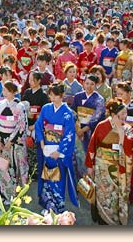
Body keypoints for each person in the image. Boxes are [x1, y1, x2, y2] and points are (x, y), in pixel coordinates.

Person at [85, 98, 133, 225]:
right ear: (113, 114)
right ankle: (103, 218)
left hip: (119, 166)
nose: (125, 116)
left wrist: (120, 130)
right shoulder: (102, 126)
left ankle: (116, 218)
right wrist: (90, 165)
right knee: (103, 193)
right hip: (102, 166)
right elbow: (92, 146)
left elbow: (129, 147)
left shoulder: (127, 128)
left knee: (116, 194)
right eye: (122, 113)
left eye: (126, 113)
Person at [35, 83, 78, 214]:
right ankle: (48, 207)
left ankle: (57, 209)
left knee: (58, 180)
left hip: (59, 152)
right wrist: (42, 144)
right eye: (51, 95)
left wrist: (59, 151)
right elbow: (39, 126)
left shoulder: (68, 113)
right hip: (47, 149)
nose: (52, 98)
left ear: (62, 96)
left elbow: (69, 134)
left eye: (55, 95)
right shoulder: (46, 108)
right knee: (46, 178)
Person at [0, 81, 29, 203]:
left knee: (11, 169)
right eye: (3, 90)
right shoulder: (0, 104)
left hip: (11, 144)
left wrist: (10, 141)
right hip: (0, 141)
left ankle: (10, 195)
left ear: (12, 92)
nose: (3, 93)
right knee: (0, 168)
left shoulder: (19, 107)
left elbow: (21, 126)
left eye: (6, 90)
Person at [21, 71, 49, 176]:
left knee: (36, 147)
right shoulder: (27, 92)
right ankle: (27, 170)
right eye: (29, 80)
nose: (30, 82)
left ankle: (37, 170)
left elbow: (44, 113)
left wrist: (35, 125)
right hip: (27, 123)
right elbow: (22, 109)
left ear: (38, 81)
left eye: (33, 80)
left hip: (37, 125)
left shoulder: (43, 95)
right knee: (26, 148)